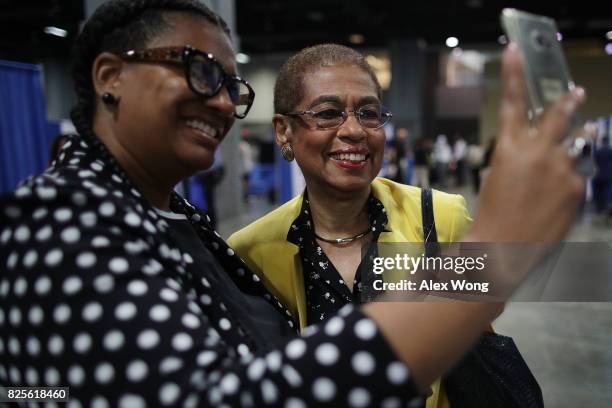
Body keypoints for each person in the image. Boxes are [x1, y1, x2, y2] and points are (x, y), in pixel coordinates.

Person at [0, 1, 586, 406]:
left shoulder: (437, 214)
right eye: (201, 73)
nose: (225, 103)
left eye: (233, 86)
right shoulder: (66, 220)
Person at [227, 44, 541, 407]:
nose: (354, 130)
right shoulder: (250, 250)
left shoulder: (441, 216)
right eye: (328, 113)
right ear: (283, 131)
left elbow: (477, 321)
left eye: (369, 113)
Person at [593, 136, 612, 213]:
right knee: (606, 192)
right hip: (608, 175)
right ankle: (605, 207)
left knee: (598, 193)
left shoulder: (597, 151)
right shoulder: (610, 151)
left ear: (602, 142)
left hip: (597, 175)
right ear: (608, 142)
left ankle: (599, 208)